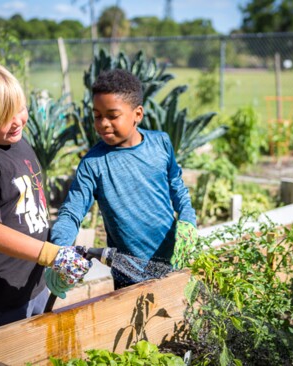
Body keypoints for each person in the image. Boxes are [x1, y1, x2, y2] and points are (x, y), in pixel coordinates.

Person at [0, 60, 91, 331]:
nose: (17, 121)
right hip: (0, 294)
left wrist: (51, 258)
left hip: (33, 281)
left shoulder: (18, 142)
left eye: (20, 109)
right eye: (5, 116)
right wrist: (51, 254)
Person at [50, 69, 198, 290]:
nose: (103, 124)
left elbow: (177, 187)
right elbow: (72, 211)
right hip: (128, 275)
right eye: (97, 116)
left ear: (137, 114)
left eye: (112, 115)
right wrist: (59, 250)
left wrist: (187, 219)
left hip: (174, 261)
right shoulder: (93, 163)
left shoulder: (161, 144)